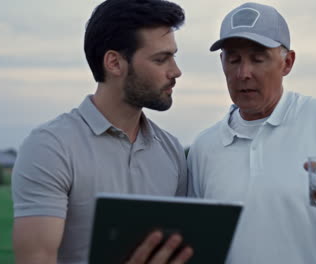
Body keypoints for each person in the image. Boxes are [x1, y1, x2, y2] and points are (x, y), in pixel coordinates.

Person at [187, 2, 316, 263]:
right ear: (222, 63)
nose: (244, 73)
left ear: (287, 62)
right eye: (234, 59)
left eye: (258, 58)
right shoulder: (204, 148)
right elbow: (198, 246)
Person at [11, 0, 194, 263]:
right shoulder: (51, 147)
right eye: (161, 59)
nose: (176, 71)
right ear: (115, 63)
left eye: (173, 56)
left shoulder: (171, 151)